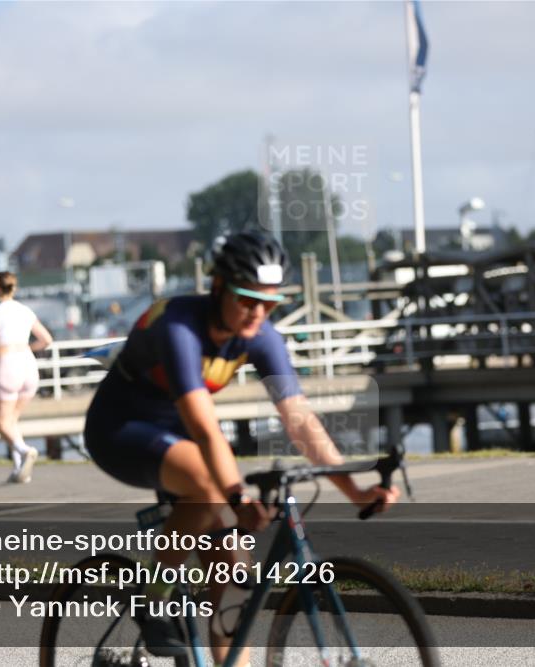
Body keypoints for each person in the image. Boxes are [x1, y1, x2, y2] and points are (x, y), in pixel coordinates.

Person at [83, 231, 399, 664]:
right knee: (209, 484)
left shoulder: (261, 336)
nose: (258, 313)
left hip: (180, 437)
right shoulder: (179, 326)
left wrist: (356, 492)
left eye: (269, 303)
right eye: (248, 299)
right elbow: (205, 429)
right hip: (120, 429)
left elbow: (300, 420)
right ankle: (152, 598)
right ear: (219, 287)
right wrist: (237, 496)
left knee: (234, 579)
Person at [0, 271, 54, 484]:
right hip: (28, 364)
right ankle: (19, 470)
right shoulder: (25, 311)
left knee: (2, 423)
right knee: (12, 420)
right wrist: (29, 348)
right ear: (14, 288)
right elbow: (46, 339)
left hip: (7, 364)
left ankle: (24, 451)